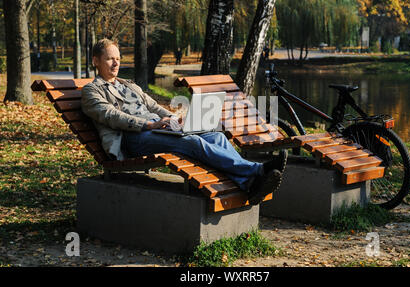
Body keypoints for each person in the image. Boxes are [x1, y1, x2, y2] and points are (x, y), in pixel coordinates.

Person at [81, 38, 287, 205]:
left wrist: (173, 119)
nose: (116, 63)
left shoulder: (129, 85)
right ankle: (257, 171)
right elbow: (111, 116)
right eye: (109, 59)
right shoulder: (92, 91)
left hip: (157, 130)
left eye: (118, 58)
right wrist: (148, 125)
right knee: (192, 143)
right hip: (132, 138)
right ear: (96, 61)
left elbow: (153, 106)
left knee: (216, 136)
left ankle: (248, 183)